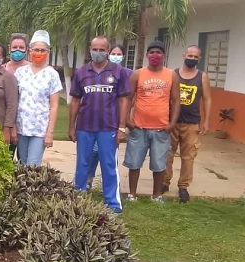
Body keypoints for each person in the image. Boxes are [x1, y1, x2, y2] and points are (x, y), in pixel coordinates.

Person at [69, 37, 131, 213]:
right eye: (95, 49)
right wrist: (71, 127)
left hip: (108, 127)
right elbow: (74, 101)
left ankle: (112, 204)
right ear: (89, 49)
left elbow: (124, 100)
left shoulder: (118, 72)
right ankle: (78, 199)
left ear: (108, 50)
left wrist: (121, 127)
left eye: (102, 49)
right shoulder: (82, 72)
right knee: (82, 164)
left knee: (109, 165)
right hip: (84, 127)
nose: (98, 52)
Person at [124, 40, 180, 202]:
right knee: (134, 163)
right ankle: (132, 194)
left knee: (159, 164)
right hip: (139, 128)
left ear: (164, 55)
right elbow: (128, 98)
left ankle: (156, 195)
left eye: (158, 52)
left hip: (161, 129)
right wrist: (127, 121)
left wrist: (172, 124)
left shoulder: (171, 75)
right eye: (152, 52)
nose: (155, 55)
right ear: (147, 55)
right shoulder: (137, 74)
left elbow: (176, 101)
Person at [163, 45, 212, 203]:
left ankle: (183, 186)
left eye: (195, 57)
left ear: (199, 58)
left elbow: (207, 99)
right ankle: (164, 182)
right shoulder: (173, 74)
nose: (192, 59)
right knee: (166, 154)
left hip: (192, 123)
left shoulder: (202, 77)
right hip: (172, 122)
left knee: (188, 156)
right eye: (189, 55)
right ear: (184, 55)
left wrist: (206, 121)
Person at [86, 43, 132, 189]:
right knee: (93, 152)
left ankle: (111, 184)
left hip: (113, 122)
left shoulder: (127, 73)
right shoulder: (93, 71)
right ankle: (88, 179)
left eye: (119, 54)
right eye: (114, 53)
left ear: (123, 56)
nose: (116, 57)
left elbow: (127, 98)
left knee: (109, 155)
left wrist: (123, 124)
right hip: (94, 121)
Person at [14, 30, 62, 166]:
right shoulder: (20, 72)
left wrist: (50, 132)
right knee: (22, 164)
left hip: (40, 129)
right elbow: (15, 99)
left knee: (33, 165)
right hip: (21, 126)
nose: (39, 53)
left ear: (48, 52)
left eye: (42, 50)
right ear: (30, 51)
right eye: (36, 50)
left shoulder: (52, 75)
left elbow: (54, 106)